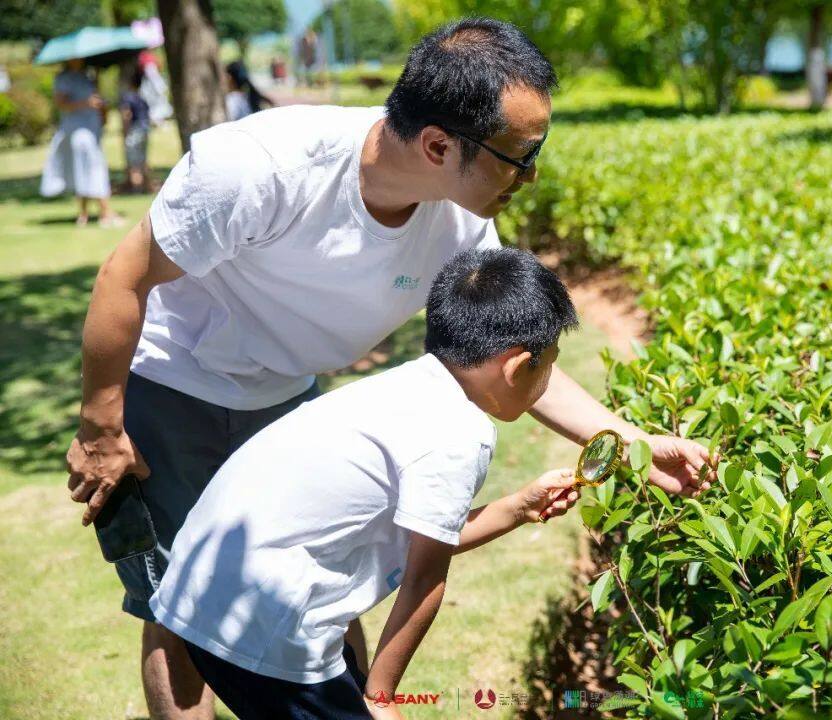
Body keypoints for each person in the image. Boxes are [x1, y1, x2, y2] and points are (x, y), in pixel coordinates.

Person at [66, 18, 712, 720]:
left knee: (320, 588)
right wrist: (102, 424)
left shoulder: (460, 219)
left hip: (285, 391)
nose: (532, 174)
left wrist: (632, 446)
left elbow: (512, 360)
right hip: (175, 379)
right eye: (520, 156)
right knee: (185, 601)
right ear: (437, 144)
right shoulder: (263, 165)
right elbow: (123, 277)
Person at [150, 247, 582, 720]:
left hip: (202, 591)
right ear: (517, 366)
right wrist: (382, 696)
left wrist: (518, 507)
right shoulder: (460, 433)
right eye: (550, 363)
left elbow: (423, 543)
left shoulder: (408, 386)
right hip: (268, 623)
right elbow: (424, 579)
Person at [39, 58, 121, 227]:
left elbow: (98, 103)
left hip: (92, 129)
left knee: (84, 170)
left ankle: (83, 214)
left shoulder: (88, 76)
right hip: (78, 132)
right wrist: (85, 103)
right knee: (93, 167)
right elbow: (60, 103)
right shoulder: (64, 78)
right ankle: (105, 212)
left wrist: (101, 108)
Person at [119, 69, 152, 193]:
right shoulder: (142, 98)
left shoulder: (127, 97)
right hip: (144, 130)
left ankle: (136, 189)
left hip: (134, 131)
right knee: (143, 160)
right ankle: (147, 187)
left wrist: (125, 131)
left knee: (133, 162)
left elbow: (126, 115)